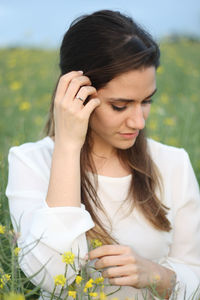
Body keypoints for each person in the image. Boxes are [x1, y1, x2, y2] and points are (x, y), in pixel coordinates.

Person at [6, 10, 200, 300]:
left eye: (147, 101)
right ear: (77, 94)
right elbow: (50, 276)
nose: (139, 122)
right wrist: (68, 147)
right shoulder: (30, 162)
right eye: (120, 106)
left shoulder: (173, 164)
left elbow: (195, 274)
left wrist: (157, 276)